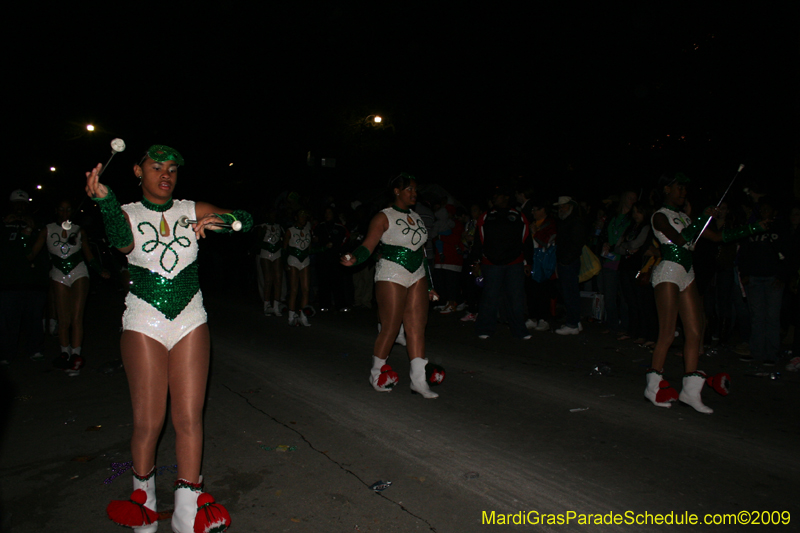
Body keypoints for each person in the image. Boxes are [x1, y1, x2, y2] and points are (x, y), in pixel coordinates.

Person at [87, 145, 249, 532]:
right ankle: (144, 501)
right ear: (137, 171)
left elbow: (245, 217)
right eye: (156, 166)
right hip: (144, 320)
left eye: (172, 168)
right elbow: (121, 243)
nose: (166, 174)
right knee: (149, 421)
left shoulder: (191, 208)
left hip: (191, 318)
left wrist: (223, 222)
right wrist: (106, 202)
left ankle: (187, 510)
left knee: (190, 417)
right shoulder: (127, 212)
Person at [645, 171, 763, 414]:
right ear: (667, 189)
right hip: (668, 272)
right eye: (679, 188)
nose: (683, 192)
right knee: (667, 333)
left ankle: (690, 391)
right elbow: (678, 240)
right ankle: (653, 387)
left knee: (695, 333)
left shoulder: (686, 218)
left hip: (688, 273)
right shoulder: (659, 216)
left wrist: (753, 228)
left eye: (685, 189)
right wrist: (701, 217)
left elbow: (719, 237)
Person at [340, 173, 440, 398]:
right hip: (391, 272)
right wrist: (355, 258)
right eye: (409, 189)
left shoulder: (417, 216)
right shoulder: (383, 217)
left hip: (418, 274)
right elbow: (368, 244)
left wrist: (429, 285)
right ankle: (377, 372)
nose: (414, 193)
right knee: (391, 326)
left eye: (415, 190)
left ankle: (419, 381)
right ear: (397, 191)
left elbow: (422, 253)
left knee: (416, 327)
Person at [27, 199, 110, 375]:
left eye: (68, 210)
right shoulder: (48, 229)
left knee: (76, 317)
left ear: (71, 211)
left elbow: (88, 253)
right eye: (61, 209)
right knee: (63, 319)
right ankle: (65, 354)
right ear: (56, 210)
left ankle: (76, 356)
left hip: (79, 271)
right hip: (58, 273)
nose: (65, 213)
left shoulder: (79, 230)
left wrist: (99, 269)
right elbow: (32, 252)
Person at [472, 186, 533, 340]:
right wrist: (476, 261)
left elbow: (526, 240)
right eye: (493, 196)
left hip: (515, 263)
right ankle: (485, 328)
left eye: (497, 196)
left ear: (506, 197)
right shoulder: (486, 216)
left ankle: (519, 330)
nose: (494, 199)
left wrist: (528, 262)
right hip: (491, 263)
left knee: (516, 298)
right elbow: (478, 240)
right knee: (489, 297)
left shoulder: (518, 216)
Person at [0, 190, 48, 365]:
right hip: (8, 282)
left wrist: (33, 228)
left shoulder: (37, 225)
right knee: (7, 322)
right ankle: (6, 353)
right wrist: (5, 223)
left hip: (33, 282)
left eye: (23, 204)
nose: (19, 207)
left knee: (34, 318)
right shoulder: (4, 224)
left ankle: (35, 350)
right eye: (16, 204)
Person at [553, 196, 585, 335]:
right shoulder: (565, 221)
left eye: (564, 206)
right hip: (566, 260)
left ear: (571, 207)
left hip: (568, 262)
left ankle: (572, 323)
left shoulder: (574, 221)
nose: (561, 209)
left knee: (569, 292)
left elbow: (576, 244)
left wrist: (565, 260)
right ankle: (575, 321)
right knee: (570, 292)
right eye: (560, 206)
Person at [284, 209, 312, 326]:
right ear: (296, 217)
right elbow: (284, 248)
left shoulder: (307, 231)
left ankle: (303, 316)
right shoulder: (289, 231)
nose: (303, 218)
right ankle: (291, 315)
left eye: (305, 216)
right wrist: (285, 262)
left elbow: (309, 248)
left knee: (305, 289)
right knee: (294, 289)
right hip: (293, 260)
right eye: (301, 216)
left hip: (305, 260)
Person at [259, 208, 284, 316]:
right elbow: (257, 240)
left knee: (278, 278)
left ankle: (276, 306)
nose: (273, 216)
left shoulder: (279, 227)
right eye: (271, 214)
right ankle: (266, 305)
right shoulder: (262, 226)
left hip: (277, 253)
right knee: (268, 279)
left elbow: (282, 239)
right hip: (265, 253)